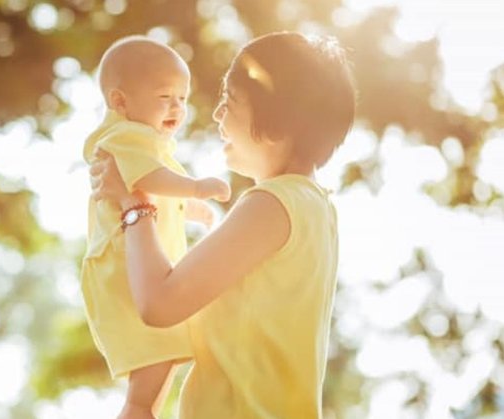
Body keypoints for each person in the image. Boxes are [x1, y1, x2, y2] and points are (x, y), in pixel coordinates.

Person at [89, 31, 356, 418]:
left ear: (278, 120)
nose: (216, 115)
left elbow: (159, 304)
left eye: (229, 102)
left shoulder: (272, 205)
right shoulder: (314, 207)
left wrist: (133, 202)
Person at [81, 36, 231, 419]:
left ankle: (140, 410)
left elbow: (154, 188)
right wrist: (196, 187)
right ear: (120, 101)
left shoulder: (144, 142)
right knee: (154, 364)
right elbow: (150, 178)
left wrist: (187, 207)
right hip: (125, 273)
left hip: (132, 270)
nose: (177, 109)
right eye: (165, 97)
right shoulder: (128, 136)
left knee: (161, 362)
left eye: (182, 98)